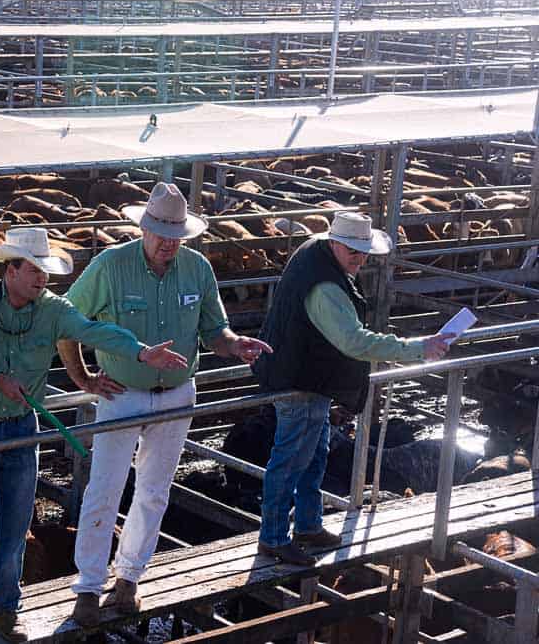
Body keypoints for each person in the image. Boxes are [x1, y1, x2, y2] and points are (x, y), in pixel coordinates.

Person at [0, 227, 187, 643]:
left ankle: (3, 611)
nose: (41, 278)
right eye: (33, 270)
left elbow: (92, 330)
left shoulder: (52, 308)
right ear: (9, 270)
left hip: (20, 427)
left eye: (44, 271)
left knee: (16, 526)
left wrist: (141, 351)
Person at [58, 182, 272, 626]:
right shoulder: (109, 266)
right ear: (142, 228)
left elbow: (215, 329)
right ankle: (88, 586)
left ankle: (130, 579)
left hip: (176, 394)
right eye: (160, 233)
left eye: (176, 235)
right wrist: (82, 378)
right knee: (104, 489)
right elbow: (66, 320)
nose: (168, 243)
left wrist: (234, 346)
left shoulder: (197, 268)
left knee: (154, 491)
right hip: (121, 393)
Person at [252, 212, 453, 566]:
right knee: (291, 460)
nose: (359, 259)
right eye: (352, 251)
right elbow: (354, 342)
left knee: (313, 457)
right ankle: (272, 538)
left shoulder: (317, 255)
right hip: (299, 381)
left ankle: (308, 525)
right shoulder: (326, 287)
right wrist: (418, 348)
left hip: (309, 377)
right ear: (334, 244)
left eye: (363, 252)